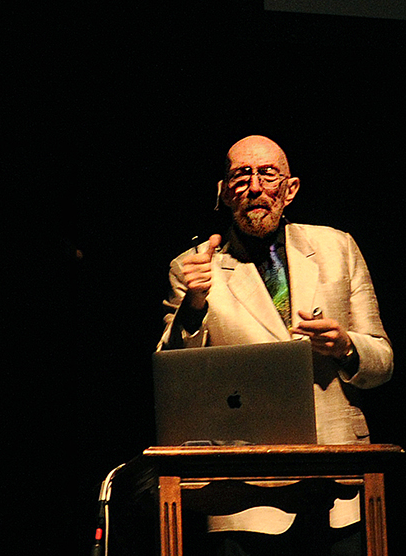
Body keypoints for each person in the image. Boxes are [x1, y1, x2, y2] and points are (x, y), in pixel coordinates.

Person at [158, 136, 392, 556]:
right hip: (243, 493)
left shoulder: (338, 248)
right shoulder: (193, 266)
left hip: (339, 483)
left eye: (268, 174)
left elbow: (382, 362)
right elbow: (175, 382)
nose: (254, 186)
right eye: (240, 175)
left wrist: (344, 347)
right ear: (224, 192)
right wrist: (193, 307)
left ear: (290, 188)